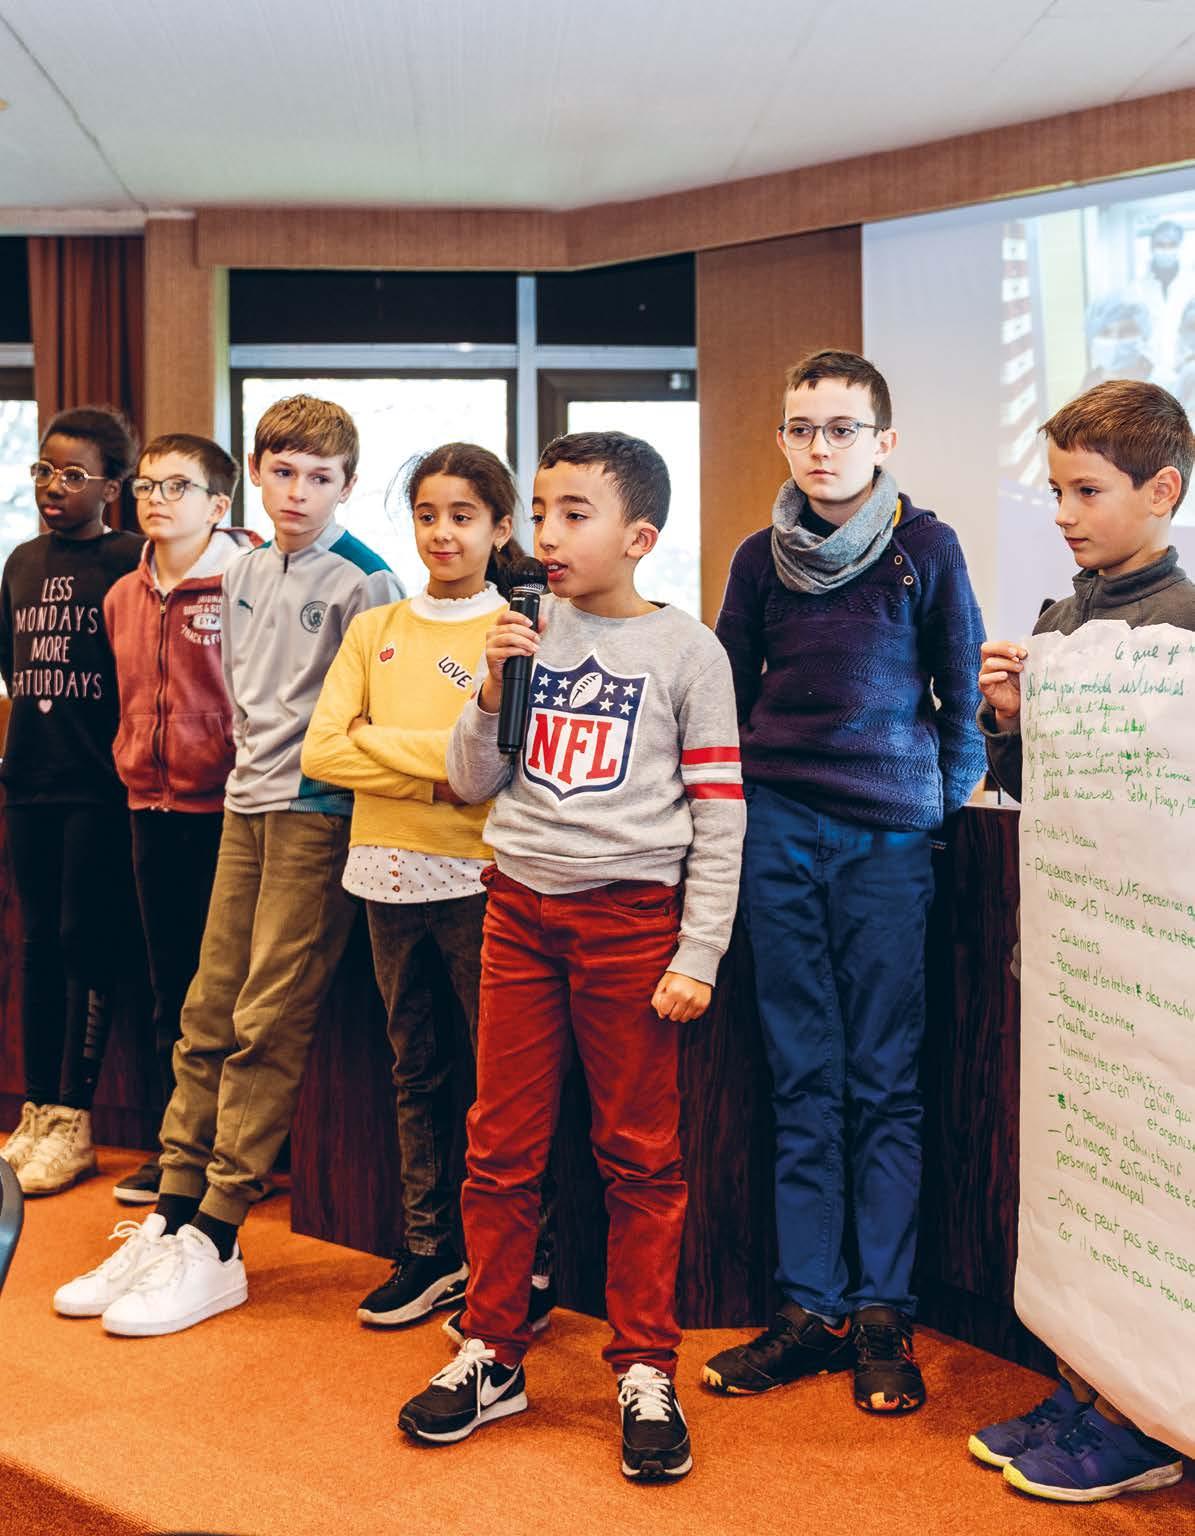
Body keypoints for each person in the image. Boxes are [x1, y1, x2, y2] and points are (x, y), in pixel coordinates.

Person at [396, 431, 745, 1482]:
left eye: (573, 514)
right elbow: (471, 780)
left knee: (639, 1155)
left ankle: (644, 1366)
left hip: (632, 922)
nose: (545, 534)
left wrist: (700, 950)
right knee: (499, 1145)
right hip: (517, 911)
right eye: (540, 511)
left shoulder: (688, 652)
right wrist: (491, 687)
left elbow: (720, 813)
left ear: (639, 537)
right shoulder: (522, 630)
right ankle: (493, 1349)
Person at [53, 395, 402, 1334]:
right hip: (243, 807)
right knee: (206, 1010)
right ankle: (171, 1212)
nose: (297, 492)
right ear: (254, 474)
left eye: (319, 478)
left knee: (263, 1021)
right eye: (281, 472)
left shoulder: (368, 580)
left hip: (317, 815)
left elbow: (373, 713)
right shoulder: (242, 570)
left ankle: (218, 1232)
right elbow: (247, 702)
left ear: (346, 486)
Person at [703, 350, 986, 1414]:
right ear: (782, 438)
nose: (818, 447)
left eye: (840, 428)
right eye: (800, 428)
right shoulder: (757, 558)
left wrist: (931, 812)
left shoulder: (925, 548)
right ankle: (809, 1313)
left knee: (883, 1080)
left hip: (887, 841)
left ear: (882, 441)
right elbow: (725, 702)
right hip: (778, 827)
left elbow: (960, 693)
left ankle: (880, 1315)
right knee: (801, 1076)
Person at [971, 378, 1192, 1503]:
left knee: (1155, 1203)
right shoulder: (1060, 624)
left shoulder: (1187, 628)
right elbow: (1038, 796)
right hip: (1076, 970)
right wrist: (1008, 723)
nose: (1062, 513)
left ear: (1162, 491)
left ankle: (1148, 1419)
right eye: (1055, 490)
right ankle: (1089, 1387)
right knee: (1080, 1189)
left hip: (1163, 983)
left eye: (1086, 492)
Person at [303, 443, 554, 1332]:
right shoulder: (375, 627)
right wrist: (441, 774)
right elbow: (322, 750)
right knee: (415, 1069)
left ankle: (517, 1263)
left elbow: (503, 764)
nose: (441, 532)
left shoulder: (519, 630)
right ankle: (429, 1250)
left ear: (498, 527)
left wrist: (384, 745)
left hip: (485, 878)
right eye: (426, 515)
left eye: (461, 516)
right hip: (385, 872)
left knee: (500, 1080)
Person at [103, 434, 257, 1205]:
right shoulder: (121, 596)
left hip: (229, 811)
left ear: (218, 504)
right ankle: (176, 1153)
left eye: (176, 486)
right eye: (145, 486)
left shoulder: (246, 583)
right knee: (170, 987)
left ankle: (234, 1156)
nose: (155, 499)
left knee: (227, 993)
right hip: (149, 807)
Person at [0, 407, 142, 1195]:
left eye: (75, 475)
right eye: (44, 471)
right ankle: (38, 1109)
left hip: (99, 785)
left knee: (85, 942)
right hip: (29, 781)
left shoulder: (130, 559)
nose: (55, 487)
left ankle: (75, 1119)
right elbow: (12, 666)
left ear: (111, 488)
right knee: (36, 948)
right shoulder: (21, 561)